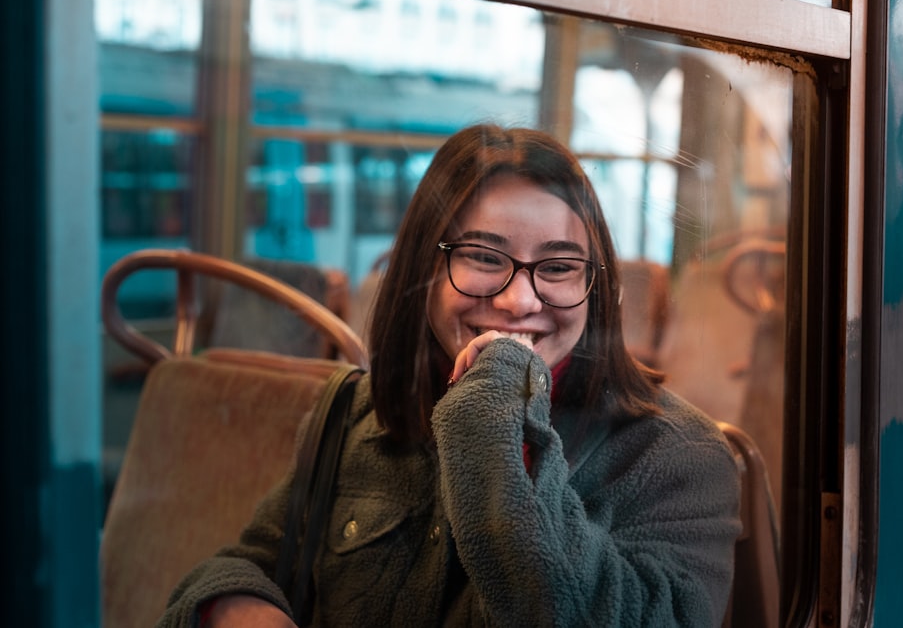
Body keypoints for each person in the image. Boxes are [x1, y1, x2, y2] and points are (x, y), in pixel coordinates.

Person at [157, 124, 741, 627]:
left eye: (559, 267)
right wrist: (238, 605)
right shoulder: (354, 414)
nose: (517, 302)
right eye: (485, 258)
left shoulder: (677, 456)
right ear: (425, 271)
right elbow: (250, 562)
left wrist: (494, 412)